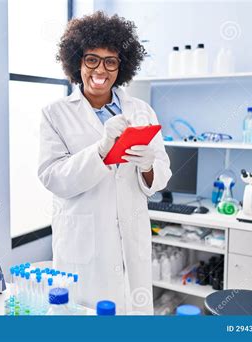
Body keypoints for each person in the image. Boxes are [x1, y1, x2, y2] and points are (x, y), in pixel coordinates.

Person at [38, 11, 171, 315]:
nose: (101, 69)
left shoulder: (142, 111)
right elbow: (52, 177)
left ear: (121, 66)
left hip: (131, 237)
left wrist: (149, 166)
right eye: (91, 59)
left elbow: (161, 176)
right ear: (76, 62)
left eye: (111, 61)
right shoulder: (55, 113)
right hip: (83, 247)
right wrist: (99, 151)